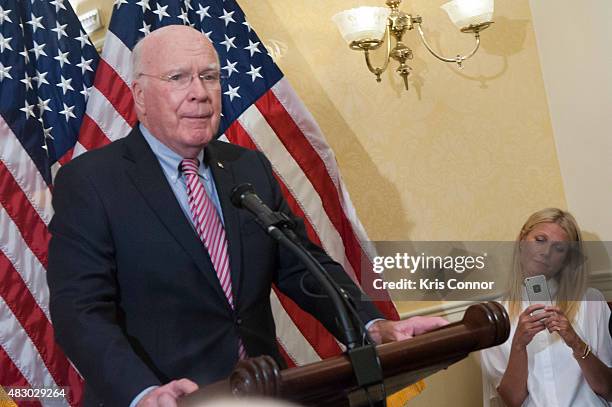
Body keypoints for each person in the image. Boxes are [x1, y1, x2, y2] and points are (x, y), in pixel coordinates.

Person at [47, 25, 447, 407]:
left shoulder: (247, 167)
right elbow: (79, 310)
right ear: (139, 94)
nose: (200, 93)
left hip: (262, 392)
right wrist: (141, 392)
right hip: (171, 397)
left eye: (209, 76)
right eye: (178, 78)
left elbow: (301, 267)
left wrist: (372, 325)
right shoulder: (92, 182)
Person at [480, 208, 612, 406]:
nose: (546, 253)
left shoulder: (591, 302)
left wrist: (576, 343)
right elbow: (512, 400)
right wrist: (519, 345)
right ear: (522, 241)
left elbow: (608, 389)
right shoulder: (495, 315)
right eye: (540, 240)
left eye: (559, 248)